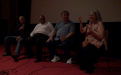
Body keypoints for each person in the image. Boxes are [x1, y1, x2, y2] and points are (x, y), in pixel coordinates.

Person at [76, 9, 105, 73]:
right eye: (90, 15)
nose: (91, 16)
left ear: (96, 16)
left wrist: (91, 29)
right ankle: (83, 65)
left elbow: (100, 36)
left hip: (96, 42)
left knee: (87, 49)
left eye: (93, 15)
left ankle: (90, 68)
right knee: (78, 48)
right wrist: (81, 23)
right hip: (88, 42)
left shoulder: (99, 23)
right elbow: (82, 31)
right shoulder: (89, 23)